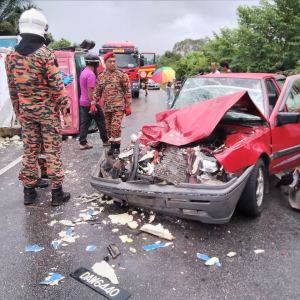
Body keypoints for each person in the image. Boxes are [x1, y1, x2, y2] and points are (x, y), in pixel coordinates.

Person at [5, 8, 71, 206]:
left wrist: (19, 112)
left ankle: (29, 191)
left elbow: (12, 89)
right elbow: (57, 86)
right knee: (52, 151)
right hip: (47, 113)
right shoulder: (45, 54)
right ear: (42, 28)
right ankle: (57, 193)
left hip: (26, 112)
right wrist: (65, 112)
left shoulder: (11, 57)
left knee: (30, 150)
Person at [93, 52, 132, 157]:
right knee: (108, 128)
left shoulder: (121, 74)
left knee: (115, 126)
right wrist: (93, 104)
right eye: (110, 61)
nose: (113, 63)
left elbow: (127, 91)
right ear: (105, 63)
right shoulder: (101, 76)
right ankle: (112, 145)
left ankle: (116, 147)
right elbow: (97, 91)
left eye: (114, 61)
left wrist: (128, 106)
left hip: (119, 106)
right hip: (107, 107)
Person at [79, 52, 110, 150]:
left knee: (85, 122)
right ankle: (105, 140)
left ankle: (83, 143)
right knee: (101, 121)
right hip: (90, 103)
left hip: (83, 102)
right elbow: (90, 90)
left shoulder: (84, 72)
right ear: (96, 63)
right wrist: (94, 104)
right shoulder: (91, 75)